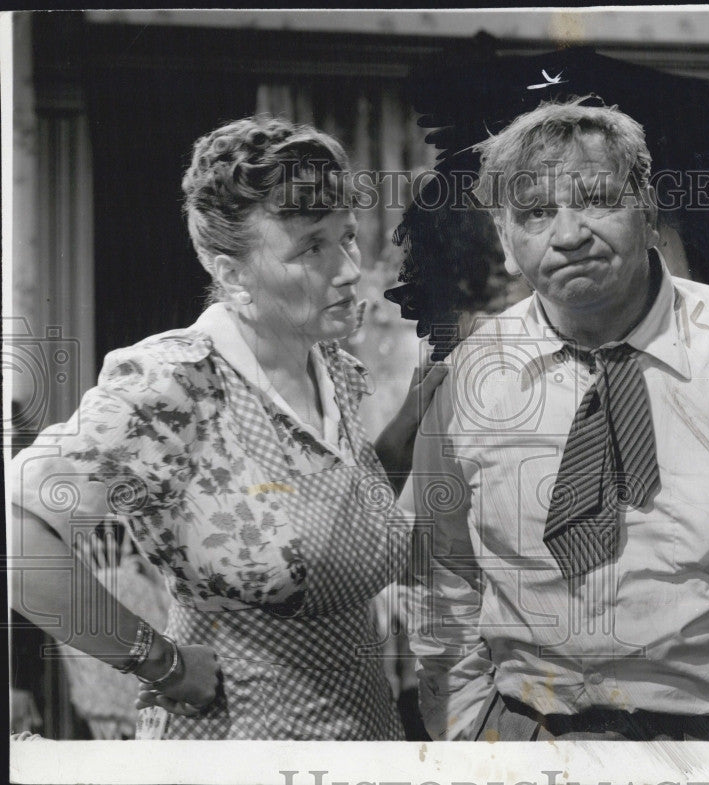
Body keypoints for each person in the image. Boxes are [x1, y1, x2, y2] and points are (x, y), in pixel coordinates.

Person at [404, 98, 709, 741]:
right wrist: (469, 732)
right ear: (505, 239)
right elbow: (439, 570)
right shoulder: (471, 376)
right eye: (535, 213)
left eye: (596, 199)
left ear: (649, 206)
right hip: (528, 739)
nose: (569, 233)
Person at [9, 116, 445, 740]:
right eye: (311, 247)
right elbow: (17, 534)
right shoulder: (171, 382)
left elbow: (335, 512)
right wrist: (156, 661)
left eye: (347, 238)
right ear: (233, 273)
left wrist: (412, 417)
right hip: (236, 745)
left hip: (367, 733)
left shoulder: (336, 369)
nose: (349, 268)